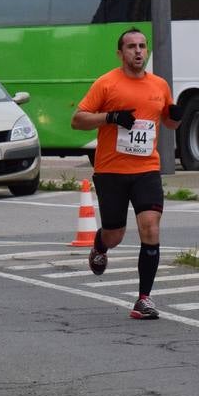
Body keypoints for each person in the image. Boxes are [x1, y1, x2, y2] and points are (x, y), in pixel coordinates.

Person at [71, 28, 181, 320]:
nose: (138, 51)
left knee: (151, 227)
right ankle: (99, 245)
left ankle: (144, 299)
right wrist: (111, 117)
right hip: (111, 171)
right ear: (120, 53)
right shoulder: (106, 84)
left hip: (146, 169)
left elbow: (169, 124)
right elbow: (77, 120)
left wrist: (176, 116)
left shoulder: (159, 85)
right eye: (131, 46)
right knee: (115, 234)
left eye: (142, 46)